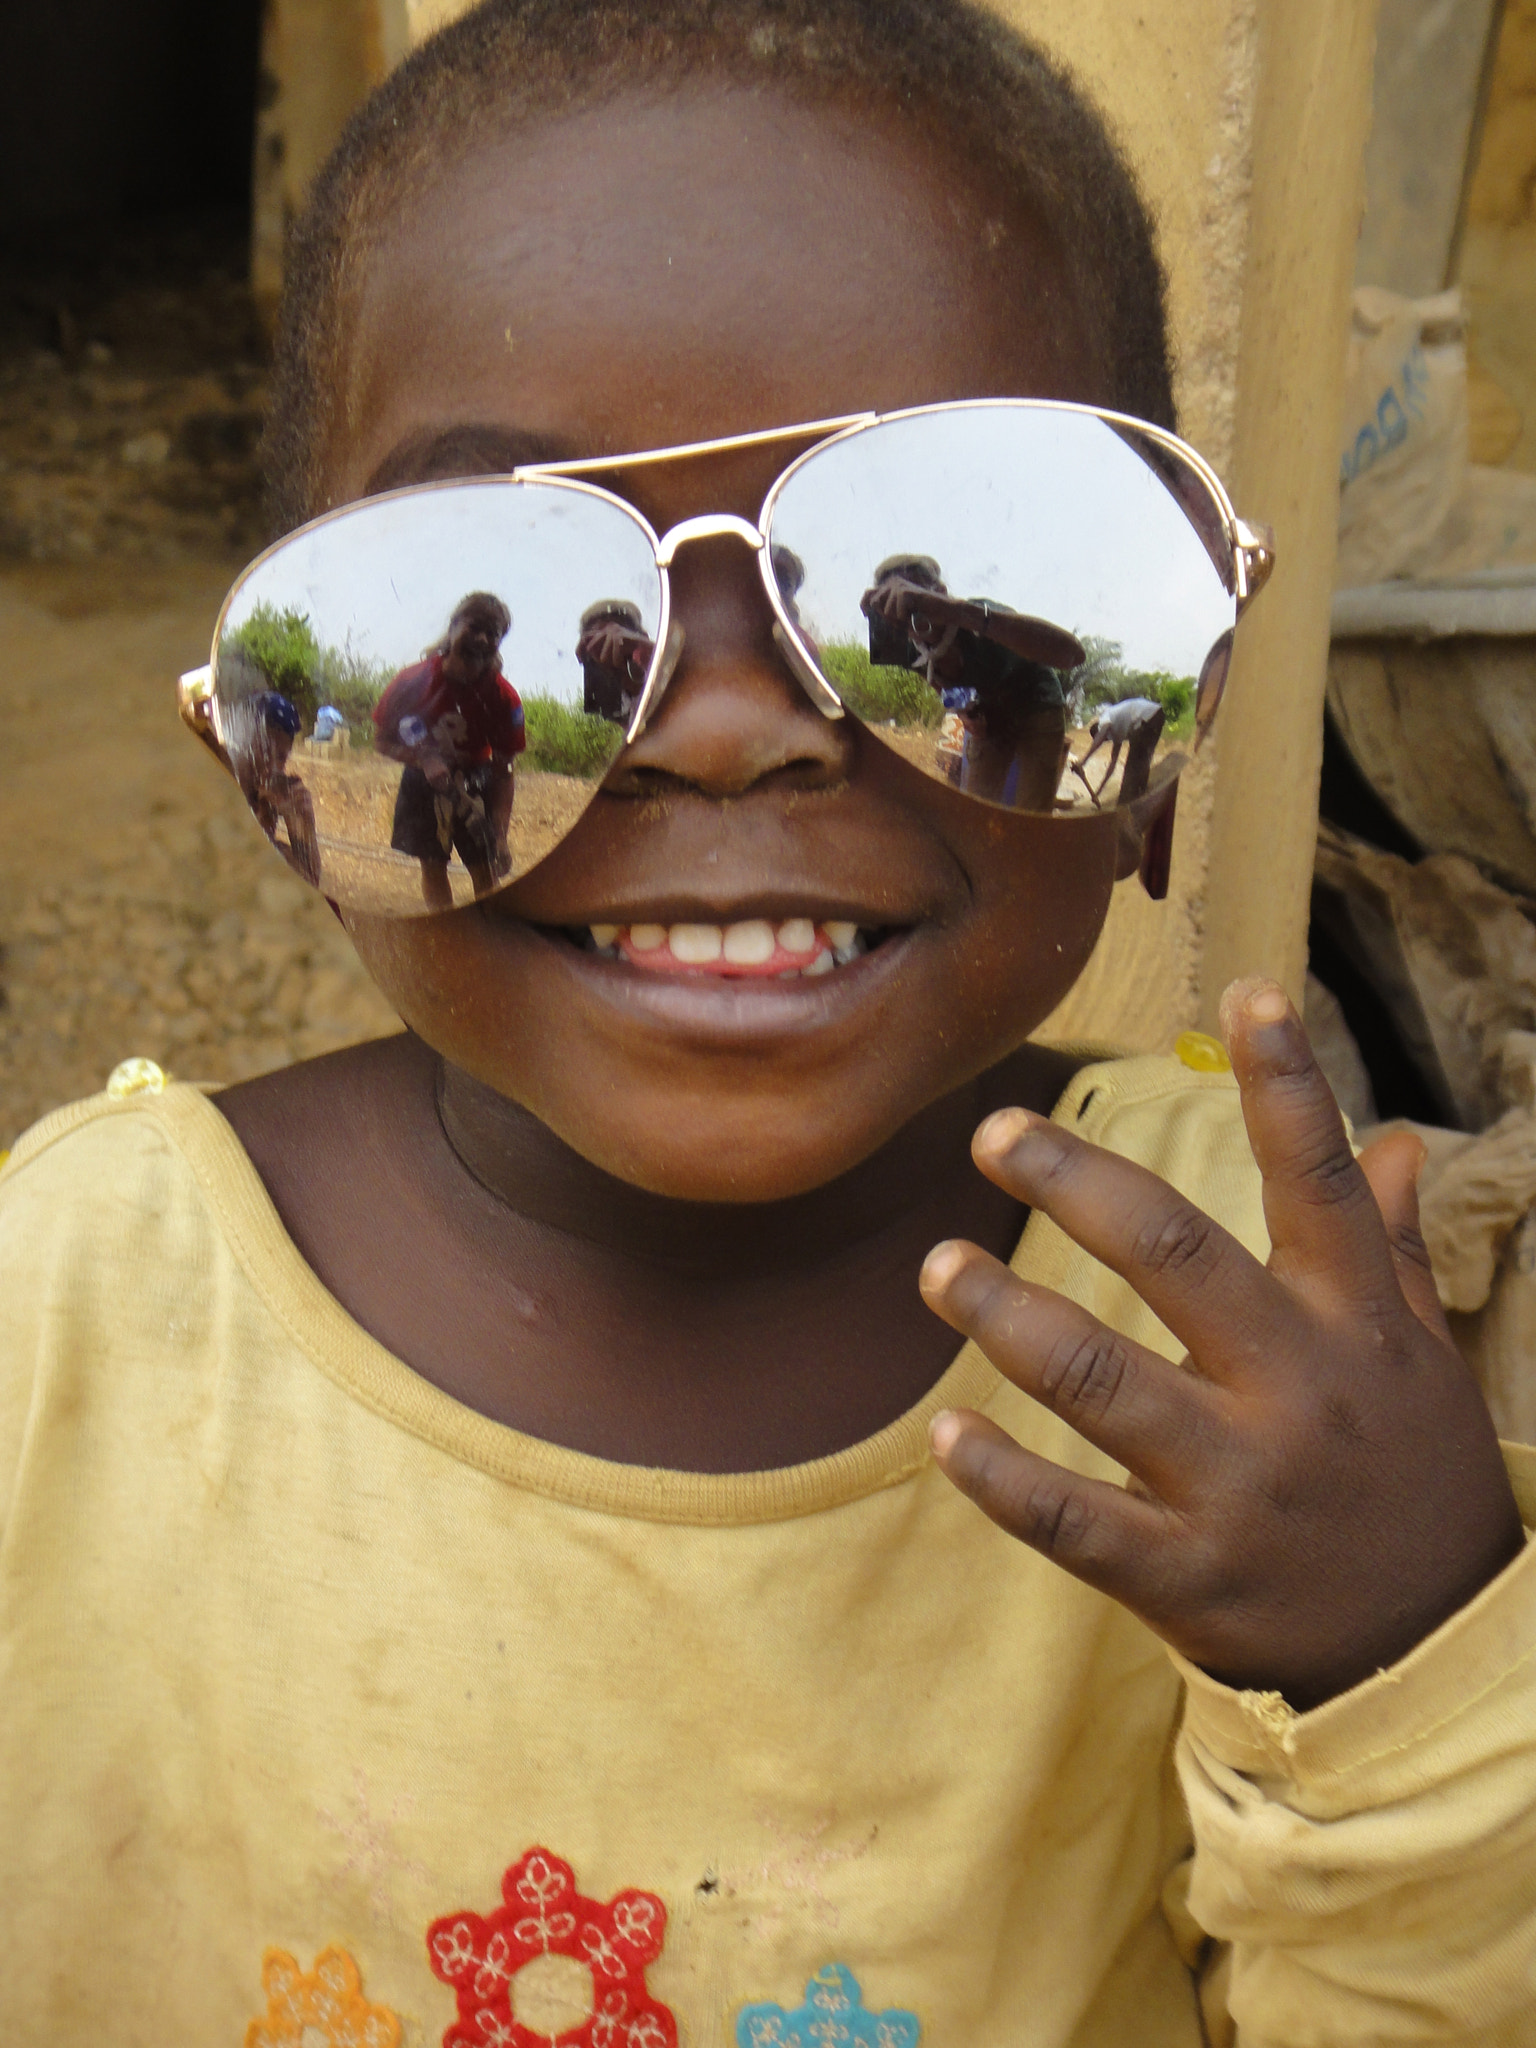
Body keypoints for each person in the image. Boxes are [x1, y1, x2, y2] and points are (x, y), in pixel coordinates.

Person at [3, 4, 1533, 2044]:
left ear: (1163, 737)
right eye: (505, 592)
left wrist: (1406, 1660)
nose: (726, 732)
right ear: (283, 772)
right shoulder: (74, 1328)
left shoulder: (1258, 1358)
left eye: (971, 562)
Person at [373, 592, 524, 908]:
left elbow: (504, 769)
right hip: (421, 783)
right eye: (474, 627)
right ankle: (446, 932)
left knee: (485, 868)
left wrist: (500, 836)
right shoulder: (411, 681)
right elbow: (382, 741)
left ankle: (490, 935)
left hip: (476, 784)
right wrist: (423, 758)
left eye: (492, 633)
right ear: (453, 626)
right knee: (432, 865)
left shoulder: (503, 698)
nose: (482, 639)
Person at [233, 687, 323, 887]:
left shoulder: (275, 796)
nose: (271, 766)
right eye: (264, 749)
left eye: (281, 757)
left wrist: (303, 826)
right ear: (240, 745)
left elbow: (312, 880)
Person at [575, 597, 654, 724]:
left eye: (616, 647)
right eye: (597, 650)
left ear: (642, 638)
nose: (605, 660)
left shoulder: (667, 685)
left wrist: (648, 653)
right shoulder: (622, 712)